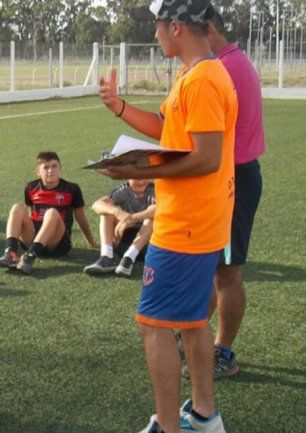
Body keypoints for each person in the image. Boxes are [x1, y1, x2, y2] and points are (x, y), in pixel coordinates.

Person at [98, 1, 237, 431]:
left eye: (157, 25)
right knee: (192, 322)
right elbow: (167, 129)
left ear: (176, 26)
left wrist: (141, 170)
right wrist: (119, 106)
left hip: (187, 224)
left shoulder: (203, 80)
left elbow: (207, 158)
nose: (155, 33)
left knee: (153, 325)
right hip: (198, 219)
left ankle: (169, 426)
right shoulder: (193, 74)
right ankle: (204, 415)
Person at [203, 7, 266, 379]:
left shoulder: (225, 68)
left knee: (226, 273)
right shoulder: (231, 62)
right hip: (232, 177)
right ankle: (196, 336)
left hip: (234, 180)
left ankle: (222, 352)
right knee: (213, 269)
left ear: (208, 29)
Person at [0, 152, 95, 274]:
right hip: (34, 237)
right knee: (16, 208)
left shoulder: (72, 189)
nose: (50, 170)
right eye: (46, 167)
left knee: (51, 213)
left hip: (57, 243)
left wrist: (90, 241)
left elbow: (80, 217)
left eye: (54, 166)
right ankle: (10, 253)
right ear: (38, 171)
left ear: (60, 168)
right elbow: (31, 214)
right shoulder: (31, 187)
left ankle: (30, 256)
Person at [84, 179, 156, 277]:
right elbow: (97, 204)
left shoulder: (155, 190)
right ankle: (107, 257)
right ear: (128, 177)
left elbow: (160, 208)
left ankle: (129, 259)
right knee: (106, 212)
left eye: (144, 176)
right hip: (124, 238)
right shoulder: (124, 189)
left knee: (153, 217)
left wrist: (132, 218)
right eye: (135, 177)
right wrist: (117, 212)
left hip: (148, 244)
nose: (140, 181)